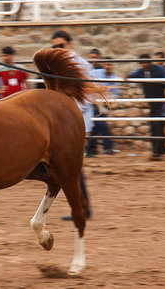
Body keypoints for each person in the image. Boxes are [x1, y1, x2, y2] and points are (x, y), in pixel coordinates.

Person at [51, 30, 92, 220]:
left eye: (61, 46)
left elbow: (86, 97)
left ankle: (83, 208)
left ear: (70, 44)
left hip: (77, 123)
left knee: (72, 168)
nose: (58, 49)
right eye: (54, 47)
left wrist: (68, 114)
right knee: (72, 168)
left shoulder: (80, 65)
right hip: (66, 122)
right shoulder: (59, 66)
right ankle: (83, 207)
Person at [125, 54, 165, 161]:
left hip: (161, 101)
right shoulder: (141, 72)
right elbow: (132, 75)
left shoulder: (159, 70)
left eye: (146, 62)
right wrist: (128, 77)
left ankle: (157, 151)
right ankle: (159, 149)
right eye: (142, 63)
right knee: (154, 125)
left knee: (158, 125)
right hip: (152, 103)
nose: (144, 65)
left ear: (149, 62)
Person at [87, 57, 119, 157]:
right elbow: (88, 82)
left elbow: (115, 94)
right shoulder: (96, 72)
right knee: (100, 123)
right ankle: (106, 147)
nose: (108, 66)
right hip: (93, 101)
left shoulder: (114, 78)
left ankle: (91, 149)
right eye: (106, 64)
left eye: (110, 64)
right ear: (103, 65)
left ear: (112, 66)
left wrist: (105, 103)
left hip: (104, 103)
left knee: (97, 124)